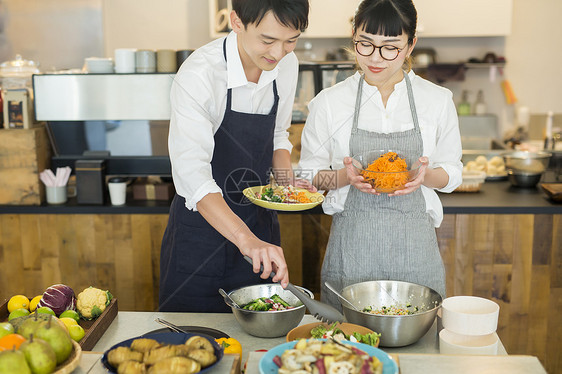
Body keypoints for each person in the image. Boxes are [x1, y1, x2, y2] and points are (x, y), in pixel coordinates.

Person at [298, 0, 462, 309]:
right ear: (353, 36)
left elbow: (453, 171)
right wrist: (344, 177)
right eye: (366, 44)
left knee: (417, 351)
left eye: (390, 47)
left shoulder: (437, 101)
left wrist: (425, 176)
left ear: (411, 44)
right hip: (351, 260)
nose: (376, 58)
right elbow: (308, 177)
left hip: (416, 259)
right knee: (345, 350)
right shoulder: (329, 104)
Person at [160, 0, 310, 312]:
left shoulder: (286, 64)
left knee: (260, 334)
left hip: (259, 226)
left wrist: (287, 187)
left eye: (291, 41)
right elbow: (193, 177)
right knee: (192, 339)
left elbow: (279, 135)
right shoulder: (200, 75)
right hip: (201, 234)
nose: (279, 53)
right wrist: (246, 240)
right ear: (237, 22)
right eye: (268, 40)